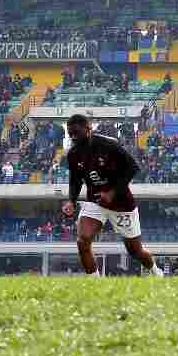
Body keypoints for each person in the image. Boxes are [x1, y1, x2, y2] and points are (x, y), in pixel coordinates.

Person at [62, 114, 163, 277]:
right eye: (70, 133)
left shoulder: (108, 145)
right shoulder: (73, 154)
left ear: (88, 129)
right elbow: (75, 180)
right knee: (83, 240)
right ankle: (95, 284)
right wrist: (72, 201)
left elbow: (133, 168)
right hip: (95, 201)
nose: (73, 137)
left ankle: (155, 271)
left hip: (121, 203)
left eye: (76, 132)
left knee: (135, 251)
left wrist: (112, 192)